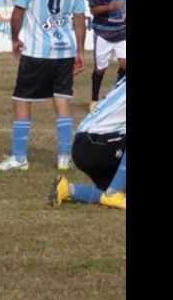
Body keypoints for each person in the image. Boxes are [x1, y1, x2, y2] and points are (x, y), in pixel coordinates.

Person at [0, 0, 86, 172]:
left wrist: (14, 38)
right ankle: (64, 156)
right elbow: (79, 19)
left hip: (37, 51)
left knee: (21, 100)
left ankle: (19, 157)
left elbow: (19, 11)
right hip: (64, 51)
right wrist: (80, 51)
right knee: (62, 99)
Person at [49, 77, 126, 210]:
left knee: (109, 193)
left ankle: (67, 190)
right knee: (114, 193)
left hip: (87, 144)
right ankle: (115, 192)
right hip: (96, 143)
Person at [86, 0, 126, 112]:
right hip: (104, 32)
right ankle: (94, 99)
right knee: (100, 69)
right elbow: (93, 9)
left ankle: (114, 94)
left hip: (122, 32)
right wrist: (110, 6)